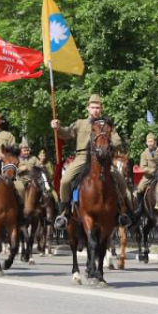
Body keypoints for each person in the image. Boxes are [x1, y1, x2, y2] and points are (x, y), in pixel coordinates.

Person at [52, 94, 134, 228]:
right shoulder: (80, 123)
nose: (95, 110)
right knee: (65, 181)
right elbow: (66, 133)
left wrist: (108, 145)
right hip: (82, 157)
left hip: (102, 159)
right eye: (93, 107)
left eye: (98, 107)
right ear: (88, 108)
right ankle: (64, 213)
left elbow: (117, 141)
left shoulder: (106, 125)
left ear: (101, 109)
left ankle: (121, 212)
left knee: (122, 182)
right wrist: (57, 128)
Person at [135, 133, 158, 200]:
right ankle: (139, 205)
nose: (150, 143)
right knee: (139, 189)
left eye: (151, 141)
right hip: (148, 177)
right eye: (148, 142)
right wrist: (153, 170)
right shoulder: (144, 154)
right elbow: (142, 168)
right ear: (146, 143)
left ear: (155, 142)